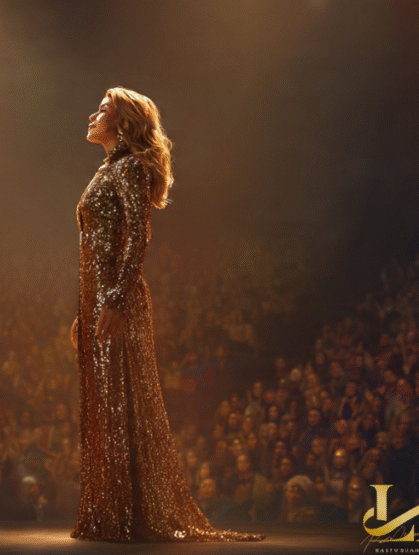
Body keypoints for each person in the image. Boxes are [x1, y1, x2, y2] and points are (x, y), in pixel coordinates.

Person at [70, 87, 263, 542]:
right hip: (97, 299)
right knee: (105, 407)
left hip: (117, 302)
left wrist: (115, 299)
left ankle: (130, 516)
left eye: (103, 109)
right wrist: (80, 309)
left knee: (122, 403)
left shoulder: (130, 167)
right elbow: (92, 252)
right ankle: (113, 513)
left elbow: (139, 236)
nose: (92, 114)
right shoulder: (108, 169)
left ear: (124, 123)